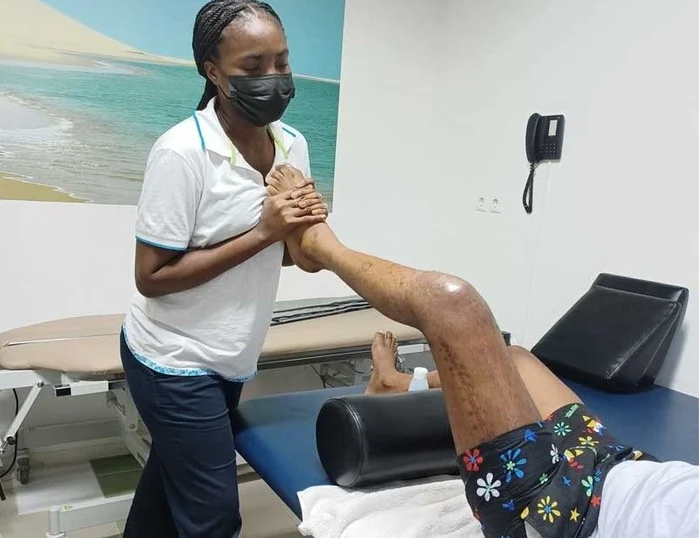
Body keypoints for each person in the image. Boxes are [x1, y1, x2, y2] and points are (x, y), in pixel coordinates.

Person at [268, 164, 699, 538]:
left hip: (562, 518)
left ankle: (318, 248)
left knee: (452, 303)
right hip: (622, 468)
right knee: (517, 359)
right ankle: (397, 383)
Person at [119, 2, 328, 537]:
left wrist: (305, 229)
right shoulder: (182, 153)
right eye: (253, 66)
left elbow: (296, 257)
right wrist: (265, 230)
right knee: (212, 517)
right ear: (213, 71)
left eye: (282, 62)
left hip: (231, 355)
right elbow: (151, 277)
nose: (274, 78)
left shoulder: (293, 145)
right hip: (174, 359)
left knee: (168, 491)